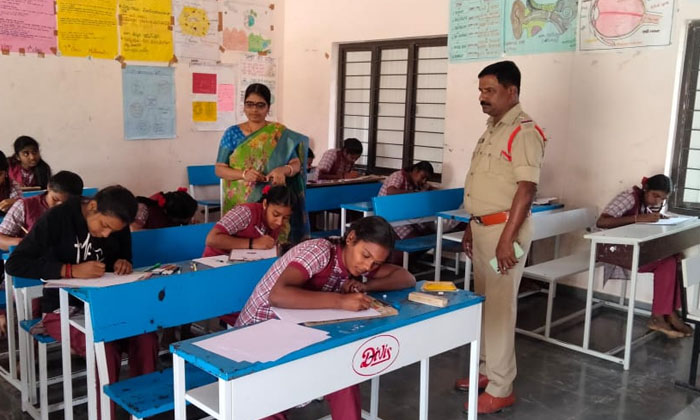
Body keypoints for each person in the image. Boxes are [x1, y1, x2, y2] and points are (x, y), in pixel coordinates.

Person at [235, 216, 415, 420]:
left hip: (297, 336)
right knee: (271, 397)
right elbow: (278, 295)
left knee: (343, 378)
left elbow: (407, 278)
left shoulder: (356, 266)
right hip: (258, 336)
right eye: (365, 256)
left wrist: (366, 286)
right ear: (351, 238)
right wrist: (340, 301)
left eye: (376, 263)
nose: (367, 267)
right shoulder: (320, 251)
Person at [5, 185, 158, 417]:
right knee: (104, 348)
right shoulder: (58, 218)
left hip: (106, 306)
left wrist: (122, 263)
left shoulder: (118, 223)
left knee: (146, 338)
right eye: (104, 226)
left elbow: (124, 255)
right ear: (92, 207)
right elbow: (15, 263)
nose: (107, 235)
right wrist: (70, 270)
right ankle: (104, 414)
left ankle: (140, 410)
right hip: (61, 308)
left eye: (113, 231)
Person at [455, 61, 546, 414]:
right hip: (484, 228)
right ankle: (486, 370)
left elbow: (526, 189)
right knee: (485, 303)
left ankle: (501, 385)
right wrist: (470, 224)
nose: (482, 97)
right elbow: (485, 185)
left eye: (489, 90)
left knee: (500, 309)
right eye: (480, 90)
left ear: (512, 91)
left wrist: (507, 240)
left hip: (504, 232)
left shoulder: (523, 132)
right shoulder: (493, 127)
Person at [596, 174, 692, 338]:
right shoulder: (629, 197)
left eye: (662, 199)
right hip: (611, 250)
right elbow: (602, 222)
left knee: (672, 259)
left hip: (632, 248)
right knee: (666, 261)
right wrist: (638, 218)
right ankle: (661, 315)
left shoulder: (646, 203)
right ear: (645, 189)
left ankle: (667, 314)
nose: (658, 202)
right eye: (655, 196)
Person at [214, 83, 309, 244]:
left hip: (273, 203)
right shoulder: (232, 133)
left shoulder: (278, 133)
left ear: (268, 107)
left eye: (260, 105)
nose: (254, 110)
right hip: (240, 202)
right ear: (243, 106)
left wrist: (283, 170)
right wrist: (244, 174)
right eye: (249, 105)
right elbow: (219, 169)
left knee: (273, 244)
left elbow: (296, 164)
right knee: (240, 244)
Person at [0, 170, 83, 251]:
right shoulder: (24, 205)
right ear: (48, 187)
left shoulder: (80, 209)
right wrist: (23, 242)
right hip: (33, 259)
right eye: (55, 199)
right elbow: (1, 239)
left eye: (66, 203)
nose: (59, 205)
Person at [203, 185, 293, 257]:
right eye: (275, 215)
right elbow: (211, 239)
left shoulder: (276, 223)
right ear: (265, 204)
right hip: (216, 262)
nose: (279, 222)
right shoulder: (246, 212)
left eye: (285, 217)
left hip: (243, 264)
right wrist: (253, 243)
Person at [378, 161, 434, 240]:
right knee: (415, 239)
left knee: (428, 233)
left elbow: (428, 188)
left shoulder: (415, 182)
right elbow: (391, 191)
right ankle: (399, 251)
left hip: (403, 215)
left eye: (426, 179)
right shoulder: (398, 176)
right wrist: (411, 193)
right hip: (389, 215)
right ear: (415, 170)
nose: (424, 181)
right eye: (422, 177)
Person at [130, 188, 198, 231]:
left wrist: (189, 227)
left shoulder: (175, 205)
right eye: (188, 218)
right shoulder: (145, 211)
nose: (190, 219)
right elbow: (136, 232)